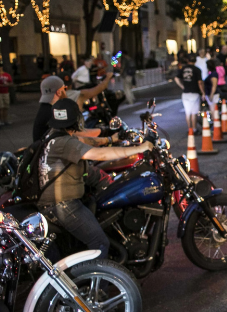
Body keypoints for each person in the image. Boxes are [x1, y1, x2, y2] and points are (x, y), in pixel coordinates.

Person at [36, 99, 154, 259]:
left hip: (57, 203)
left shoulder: (55, 136)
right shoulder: (64, 142)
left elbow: (84, 141)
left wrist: (111, 139)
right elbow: (99, 154)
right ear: (76, 120)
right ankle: (97, 283)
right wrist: (140, 148)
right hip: (63, 205)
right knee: (99, 243)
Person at [33, 75, 118, 145]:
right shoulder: (55, 112)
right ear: (59, 92)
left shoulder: (46, 108)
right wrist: (105, 132)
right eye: (64, 89)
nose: (65, 92)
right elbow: (76, 133)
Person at [174, 55, 204, 132]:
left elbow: (176, 78)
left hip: (185, 93)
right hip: (194, 92)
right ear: (195, 61)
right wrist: (203, 92)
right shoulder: (197, 70)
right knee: (194, 113)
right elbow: (200, 82)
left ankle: (189, 128)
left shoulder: (183, 69)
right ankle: (194, 129)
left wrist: (182, 86)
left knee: (188, 113)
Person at [0, 62, 12, 126]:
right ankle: (1, 121)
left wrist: (8, 84)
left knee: (6, 107)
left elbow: (11, 83)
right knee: (0, 107)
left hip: (6, 92)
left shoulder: (7, 75)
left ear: (1, 67)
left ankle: (5, 120)